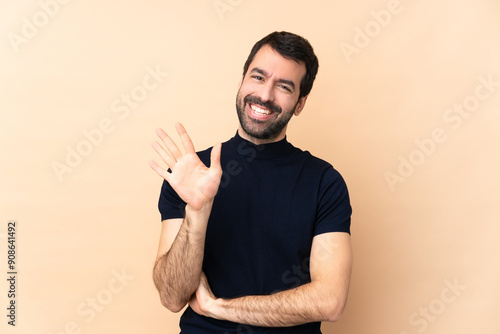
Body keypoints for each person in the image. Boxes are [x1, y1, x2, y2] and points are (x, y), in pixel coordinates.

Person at [149, 31, 352, 333]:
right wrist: (197, 210)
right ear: (242, 80)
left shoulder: (324, 182)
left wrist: (221, 307)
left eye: (284, 86)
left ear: (300, 103)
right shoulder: (191, 172)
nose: (266, 95)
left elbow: (329, 301)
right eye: (258, 77)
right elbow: (172, 295)